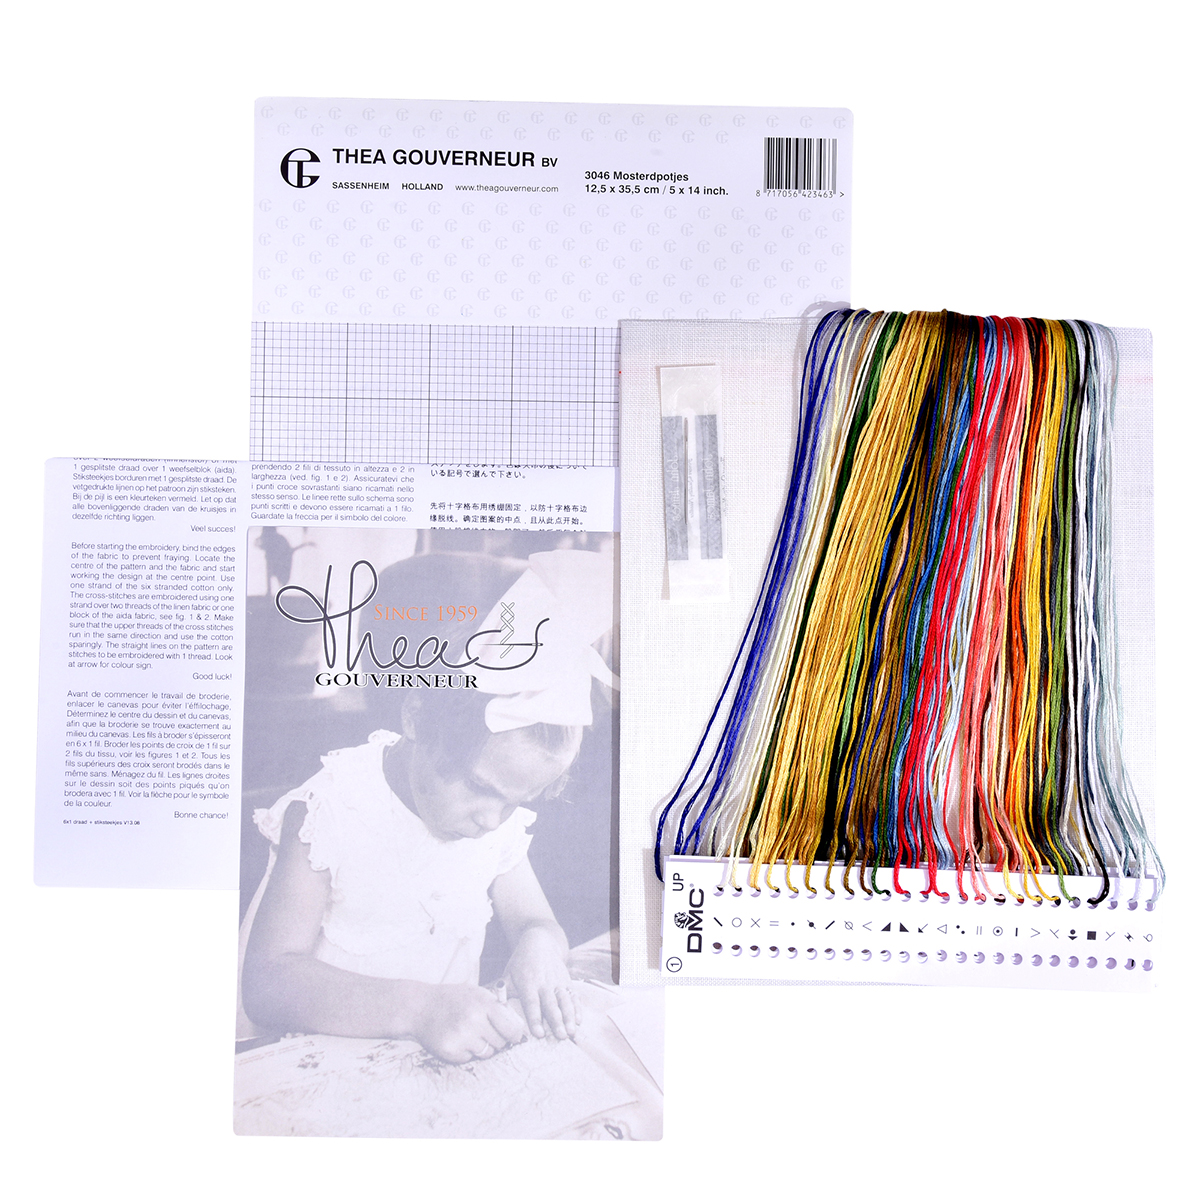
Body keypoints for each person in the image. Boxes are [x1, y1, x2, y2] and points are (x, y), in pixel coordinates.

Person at [239, 544, 615, 1065]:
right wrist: (419, 1009)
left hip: (423, 1068)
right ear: (416, 716)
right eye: (480, 787)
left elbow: (535, 920)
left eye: (516, 802)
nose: (491, 820)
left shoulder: (493, 824)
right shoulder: (331, 811)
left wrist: (541, 946)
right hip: (314, 1061)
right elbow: (266, 981)